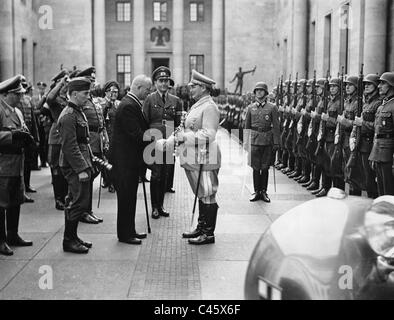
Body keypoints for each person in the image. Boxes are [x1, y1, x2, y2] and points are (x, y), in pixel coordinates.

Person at [160, 70, 221, 245]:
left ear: (203, 88)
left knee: (208, 194)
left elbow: (209, 134)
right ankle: (201, 228)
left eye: (193, 86)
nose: (190, 89)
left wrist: (184, 138)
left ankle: (208, 234)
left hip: (205, 158)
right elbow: (185, 127)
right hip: (194, 158)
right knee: (201, 194)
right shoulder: (197, 105)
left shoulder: (209, 106)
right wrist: (172, 140)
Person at [108, 75, 152, 245]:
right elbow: (136, 135)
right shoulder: (128, 106)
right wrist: (157, 138)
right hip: (124, 163)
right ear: (139, 87)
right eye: (147, 90)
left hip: (129, 162)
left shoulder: (131, 103)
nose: (148, 94)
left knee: (130, 198)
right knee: (126, 198)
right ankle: (125, 234)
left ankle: (129, 230)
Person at [57, 77, 94, 254]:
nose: (88, 96)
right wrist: (81, 169)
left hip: (81, 162)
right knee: (77, 201)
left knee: (77, 200)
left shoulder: (77, 111)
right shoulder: (69, 115)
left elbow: (84, 141)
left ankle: (73, 237)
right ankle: (69, 240)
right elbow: (69, 146)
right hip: (74, 165)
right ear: (74, 94)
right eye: (85, 93)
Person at [0, 75, 35, 256]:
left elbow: (24, 130)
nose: (21, 97)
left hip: (17, 163)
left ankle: (13, 235)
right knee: (1, 203)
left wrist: (27, 137)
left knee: (15, 200)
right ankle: (1, 240)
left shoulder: (17, 111)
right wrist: (13, 136)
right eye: (17, 94)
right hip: (3, 164)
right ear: (5, 94)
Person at [143, 67, 183, 219]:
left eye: (166, 80)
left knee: (165, 174)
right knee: (156, 174)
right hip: (154, 142)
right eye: (161, 81)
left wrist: (176, 140)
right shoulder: (150, 99)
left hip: (169, 142)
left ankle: (161, 205)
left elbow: (179, 124)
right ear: (155, 83)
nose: (164, 83)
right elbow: (144, 122)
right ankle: (154, 207)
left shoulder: (176, 101)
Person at [76, 67, 106, 224]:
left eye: (93, 79)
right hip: (88, 142)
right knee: (86, 178)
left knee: (93, 174)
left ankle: (87, 209)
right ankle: (83, 210)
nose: (93, 82)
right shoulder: (80, 100)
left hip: (97, 141)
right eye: (90, 79)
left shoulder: (92, 99)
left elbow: (100, 122)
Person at [244, 82, 280, 203]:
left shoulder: (272, 107)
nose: (259, 92)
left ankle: (264, 191)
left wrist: (276, 142)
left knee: (265, 167)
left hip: (267, 140)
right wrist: (245, 142)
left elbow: (276, 126)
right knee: (255, 167)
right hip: (254, 140)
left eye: (261, 90)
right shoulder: (250, 108)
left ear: (265, 93)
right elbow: (246, 126)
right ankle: (256, 191)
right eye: (257, 90)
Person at [350, 74, 381, 198]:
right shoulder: (366, 102)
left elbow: (378, 126)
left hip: (370, 144)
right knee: (362, 176)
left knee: (370, 178)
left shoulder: (378, 103)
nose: (366, 86)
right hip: (361, 143)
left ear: (375, 86)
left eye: (369, 84)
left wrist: (362, 123)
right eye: (365, 84)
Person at [46, 70, 70, 211]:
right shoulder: (55, 100)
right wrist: (60, 82)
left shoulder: (65, 99)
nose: (66, 85)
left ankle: (65, 196)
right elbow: (49, 98)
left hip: (66, 136)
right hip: (56, 137)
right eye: (63, 83)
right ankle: (58, 199)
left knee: (65, 167)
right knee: (56, 168)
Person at [369, 72, 394, 196]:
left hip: (389, 154)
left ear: (391, 85)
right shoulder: (381, 107)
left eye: (383, 83)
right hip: (378, 151)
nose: (379, 86)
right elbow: (377, 132)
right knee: (381, 188)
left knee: (389, 189)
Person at [101, 80, 121, 193]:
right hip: (105, 134)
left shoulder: (119, 104)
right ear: (106, 92)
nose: (114, 94)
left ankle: (113, 181)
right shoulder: (101, 103)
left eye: (116, 92)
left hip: (116, 136)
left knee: (115, 160)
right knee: (106, 159)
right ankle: (107, 180)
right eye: (112, 91)